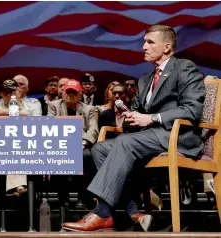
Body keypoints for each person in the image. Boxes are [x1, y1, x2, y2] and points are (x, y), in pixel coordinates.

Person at [63, 24, 206, 232]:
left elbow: (192, 110)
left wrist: (152, 118)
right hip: (149, 137)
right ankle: (133, 212)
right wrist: (131, 118)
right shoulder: (146, 79)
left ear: (167, 47)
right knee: (100, 148)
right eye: (144, 42)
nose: (143, 47)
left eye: (150, 42)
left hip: (178, 136)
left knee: (123, 143)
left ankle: (102, 213)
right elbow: (139, 112)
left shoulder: (184, 68)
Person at [47, 79, 99, 210]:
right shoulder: (53, 105)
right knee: (58, 157)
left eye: (73, 92)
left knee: (86, 156)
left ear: (80, 95)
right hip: (59, 144)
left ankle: (83, 198)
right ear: (62, 93)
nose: (70, 95)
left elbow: (93, 129)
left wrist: (82, 143)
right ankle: (62, 200)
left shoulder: (89, 109)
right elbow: (49, 126)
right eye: (68, 92)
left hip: (81, 145)